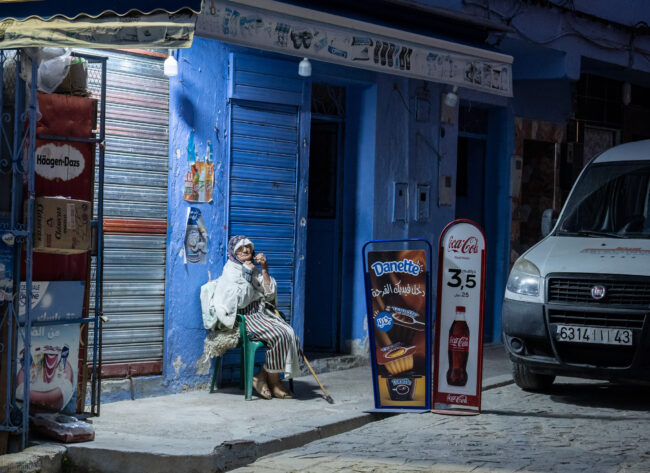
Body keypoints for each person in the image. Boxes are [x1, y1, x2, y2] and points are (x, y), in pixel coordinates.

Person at [202, 235, 300, 399]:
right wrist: (247, 273)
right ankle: (274, 382)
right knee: (279, 335)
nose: (246, 250)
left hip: (261, 315)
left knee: (290, 334)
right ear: (234, 253)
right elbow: (239, 302)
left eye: (248, 247)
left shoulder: (253, 268)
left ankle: (263, 375)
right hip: (244, 319)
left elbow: (268, 295)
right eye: (241, 248)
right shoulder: (230, 272)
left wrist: (264, 269)